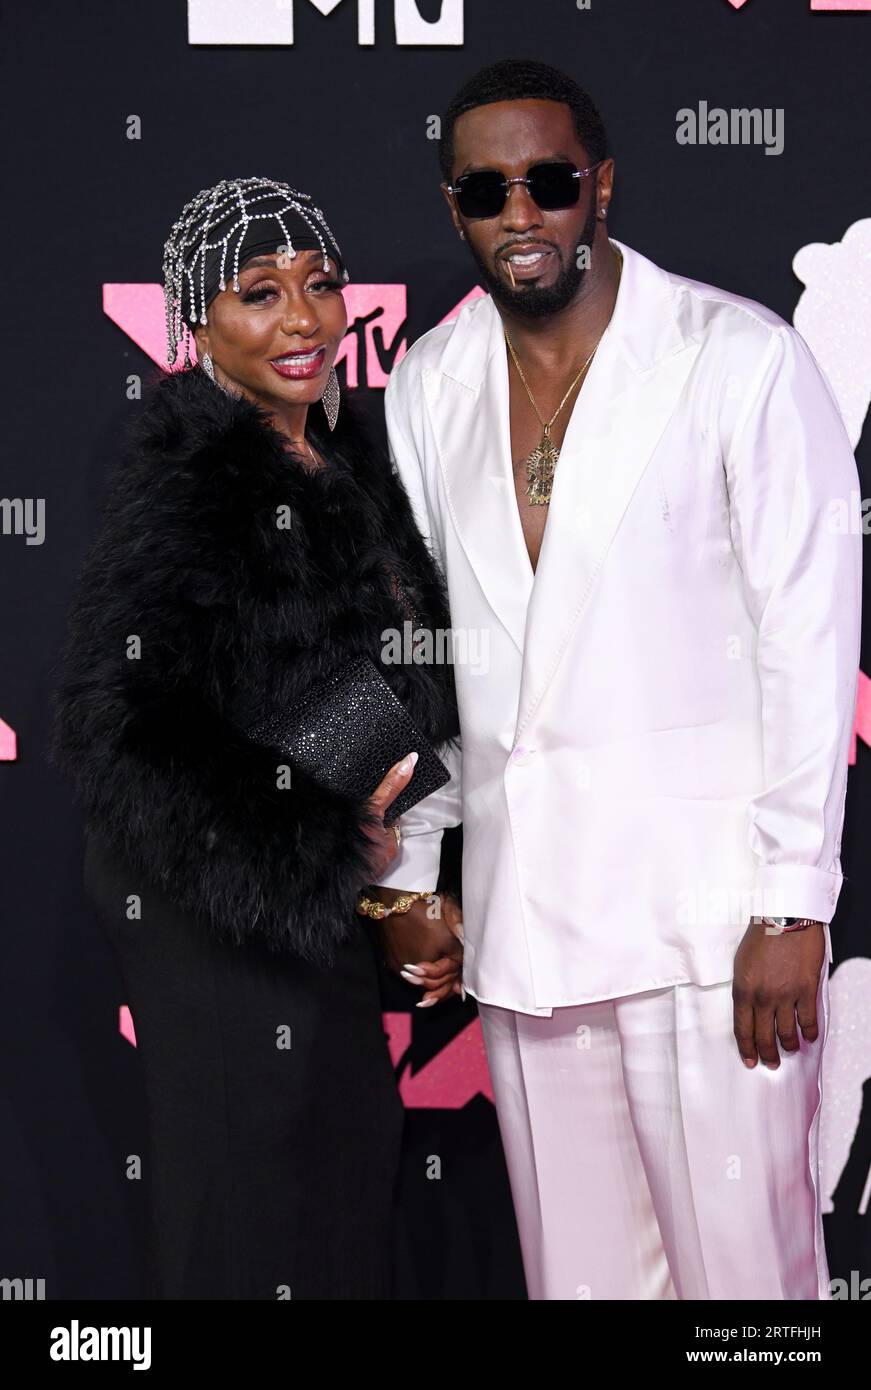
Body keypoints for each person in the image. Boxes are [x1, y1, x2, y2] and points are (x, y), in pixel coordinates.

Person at [374, 60, 862, 1300]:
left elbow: (807, 640)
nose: (520, 213)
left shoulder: (734, 357)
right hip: (530, 926)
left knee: (745, 1293)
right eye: (488, 190)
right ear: (455, 210)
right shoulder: (428, 384)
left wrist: (790, 903)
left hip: (709, 930)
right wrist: (416, 870)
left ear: (600, 187)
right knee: (579, 1290)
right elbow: (435, 650)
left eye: (547, 181)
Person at [49, 176, 462, 1300]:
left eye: (320, 285)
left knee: (336, 1186)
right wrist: (310, 836)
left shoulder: (343, 453)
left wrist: (368, 849)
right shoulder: (192, 476)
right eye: (258, 294)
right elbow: (123, 721)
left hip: (305, 909)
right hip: (215, 919)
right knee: (244, 1218)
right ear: (197, 323)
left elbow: (376, 675)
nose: (302, 319)